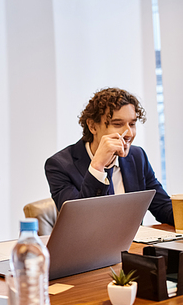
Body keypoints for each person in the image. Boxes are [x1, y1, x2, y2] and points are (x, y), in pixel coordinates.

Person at [45, 87, 174, 225]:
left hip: (134, 245)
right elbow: (80, 222)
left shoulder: (137, 157)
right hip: (89, 246)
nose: (129, 133)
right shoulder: (59, 165)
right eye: (118, 124)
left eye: (132, 124)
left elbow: (163, 208)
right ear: (92, 126)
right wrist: (97, 166)